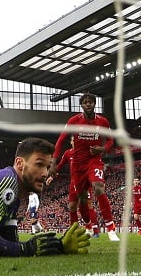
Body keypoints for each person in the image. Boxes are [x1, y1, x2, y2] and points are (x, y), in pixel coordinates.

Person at [49, 94, 120, 241]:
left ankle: (111, 228)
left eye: (91, 102)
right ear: (81, 105)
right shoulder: (74, 121)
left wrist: (102, 149)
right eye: (85, 102)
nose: (88, 104)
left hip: (94, 161)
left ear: (94, 104)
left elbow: (111, 141)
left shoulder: (102, 121)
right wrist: (54, 163)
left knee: (98, 187)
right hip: (78, 165)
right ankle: (88, 225)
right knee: (81, 199)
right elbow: (61, 140)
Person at [47, 137, 101, 237]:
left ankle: (94, 229)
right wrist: (52, 176)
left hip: (84, 181)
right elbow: (60, 165)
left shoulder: (86, 152)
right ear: (71, 142)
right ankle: (74, 231)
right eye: (73, 140)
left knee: (87, 205)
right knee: (72, 207)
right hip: (73, 182)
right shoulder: (68, 153)